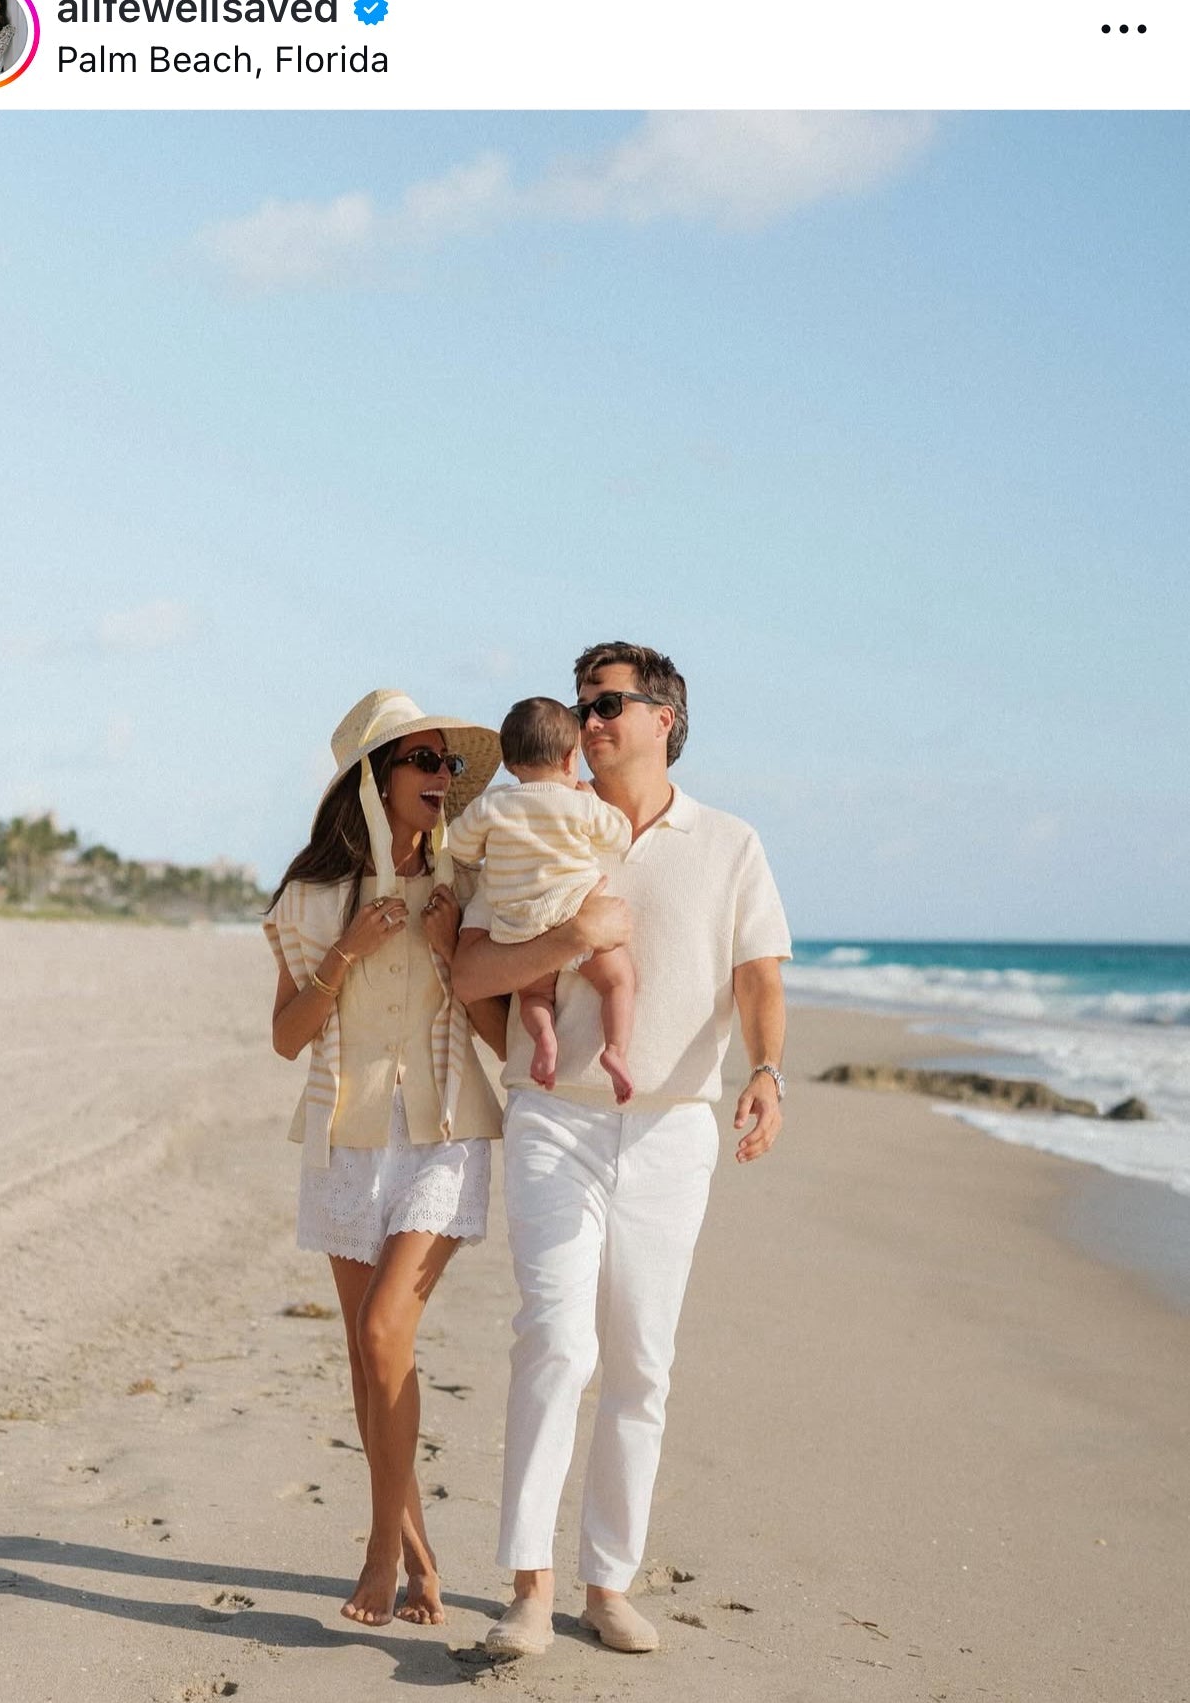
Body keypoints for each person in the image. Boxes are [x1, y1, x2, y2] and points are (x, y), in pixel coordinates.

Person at [452, 642, 791, 1658]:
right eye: (582, 704)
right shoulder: (536, 816)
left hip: (675, 1125)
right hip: (557, 1114)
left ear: (664, 718)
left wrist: (767, 1072)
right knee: (555, 1339)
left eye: (609, 703)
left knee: (641, 1357)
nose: (590, 720)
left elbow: (760, 977)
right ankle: (527, 1586)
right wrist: (563, 944)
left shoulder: (729, 842)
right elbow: (471, 968)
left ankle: (607, 1582)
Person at [264, 689, 506, 1629]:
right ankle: (416, 1549)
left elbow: (495, 1032)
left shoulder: (466, 891)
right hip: (344, 1136)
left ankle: (377, 1554)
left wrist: (450, 950)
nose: (442, 779)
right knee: (369, 1361)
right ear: (375, 777)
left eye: (450, 764)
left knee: (379, 1336)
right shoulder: (310, 899)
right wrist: (347, 954)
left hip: (443, 1130)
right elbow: (287, 1038)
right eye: (424, 761)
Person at [445, 696, 635, 1104]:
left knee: (533, 996)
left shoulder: (493, 805)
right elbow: (619, 835)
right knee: (619, 981)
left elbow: (458, 845)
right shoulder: (579, 802)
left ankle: (544, 1038)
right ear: (571, 760)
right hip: (574, 910)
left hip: (519, 931)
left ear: (510, 763)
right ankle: (616, 1050)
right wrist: (594, 799)